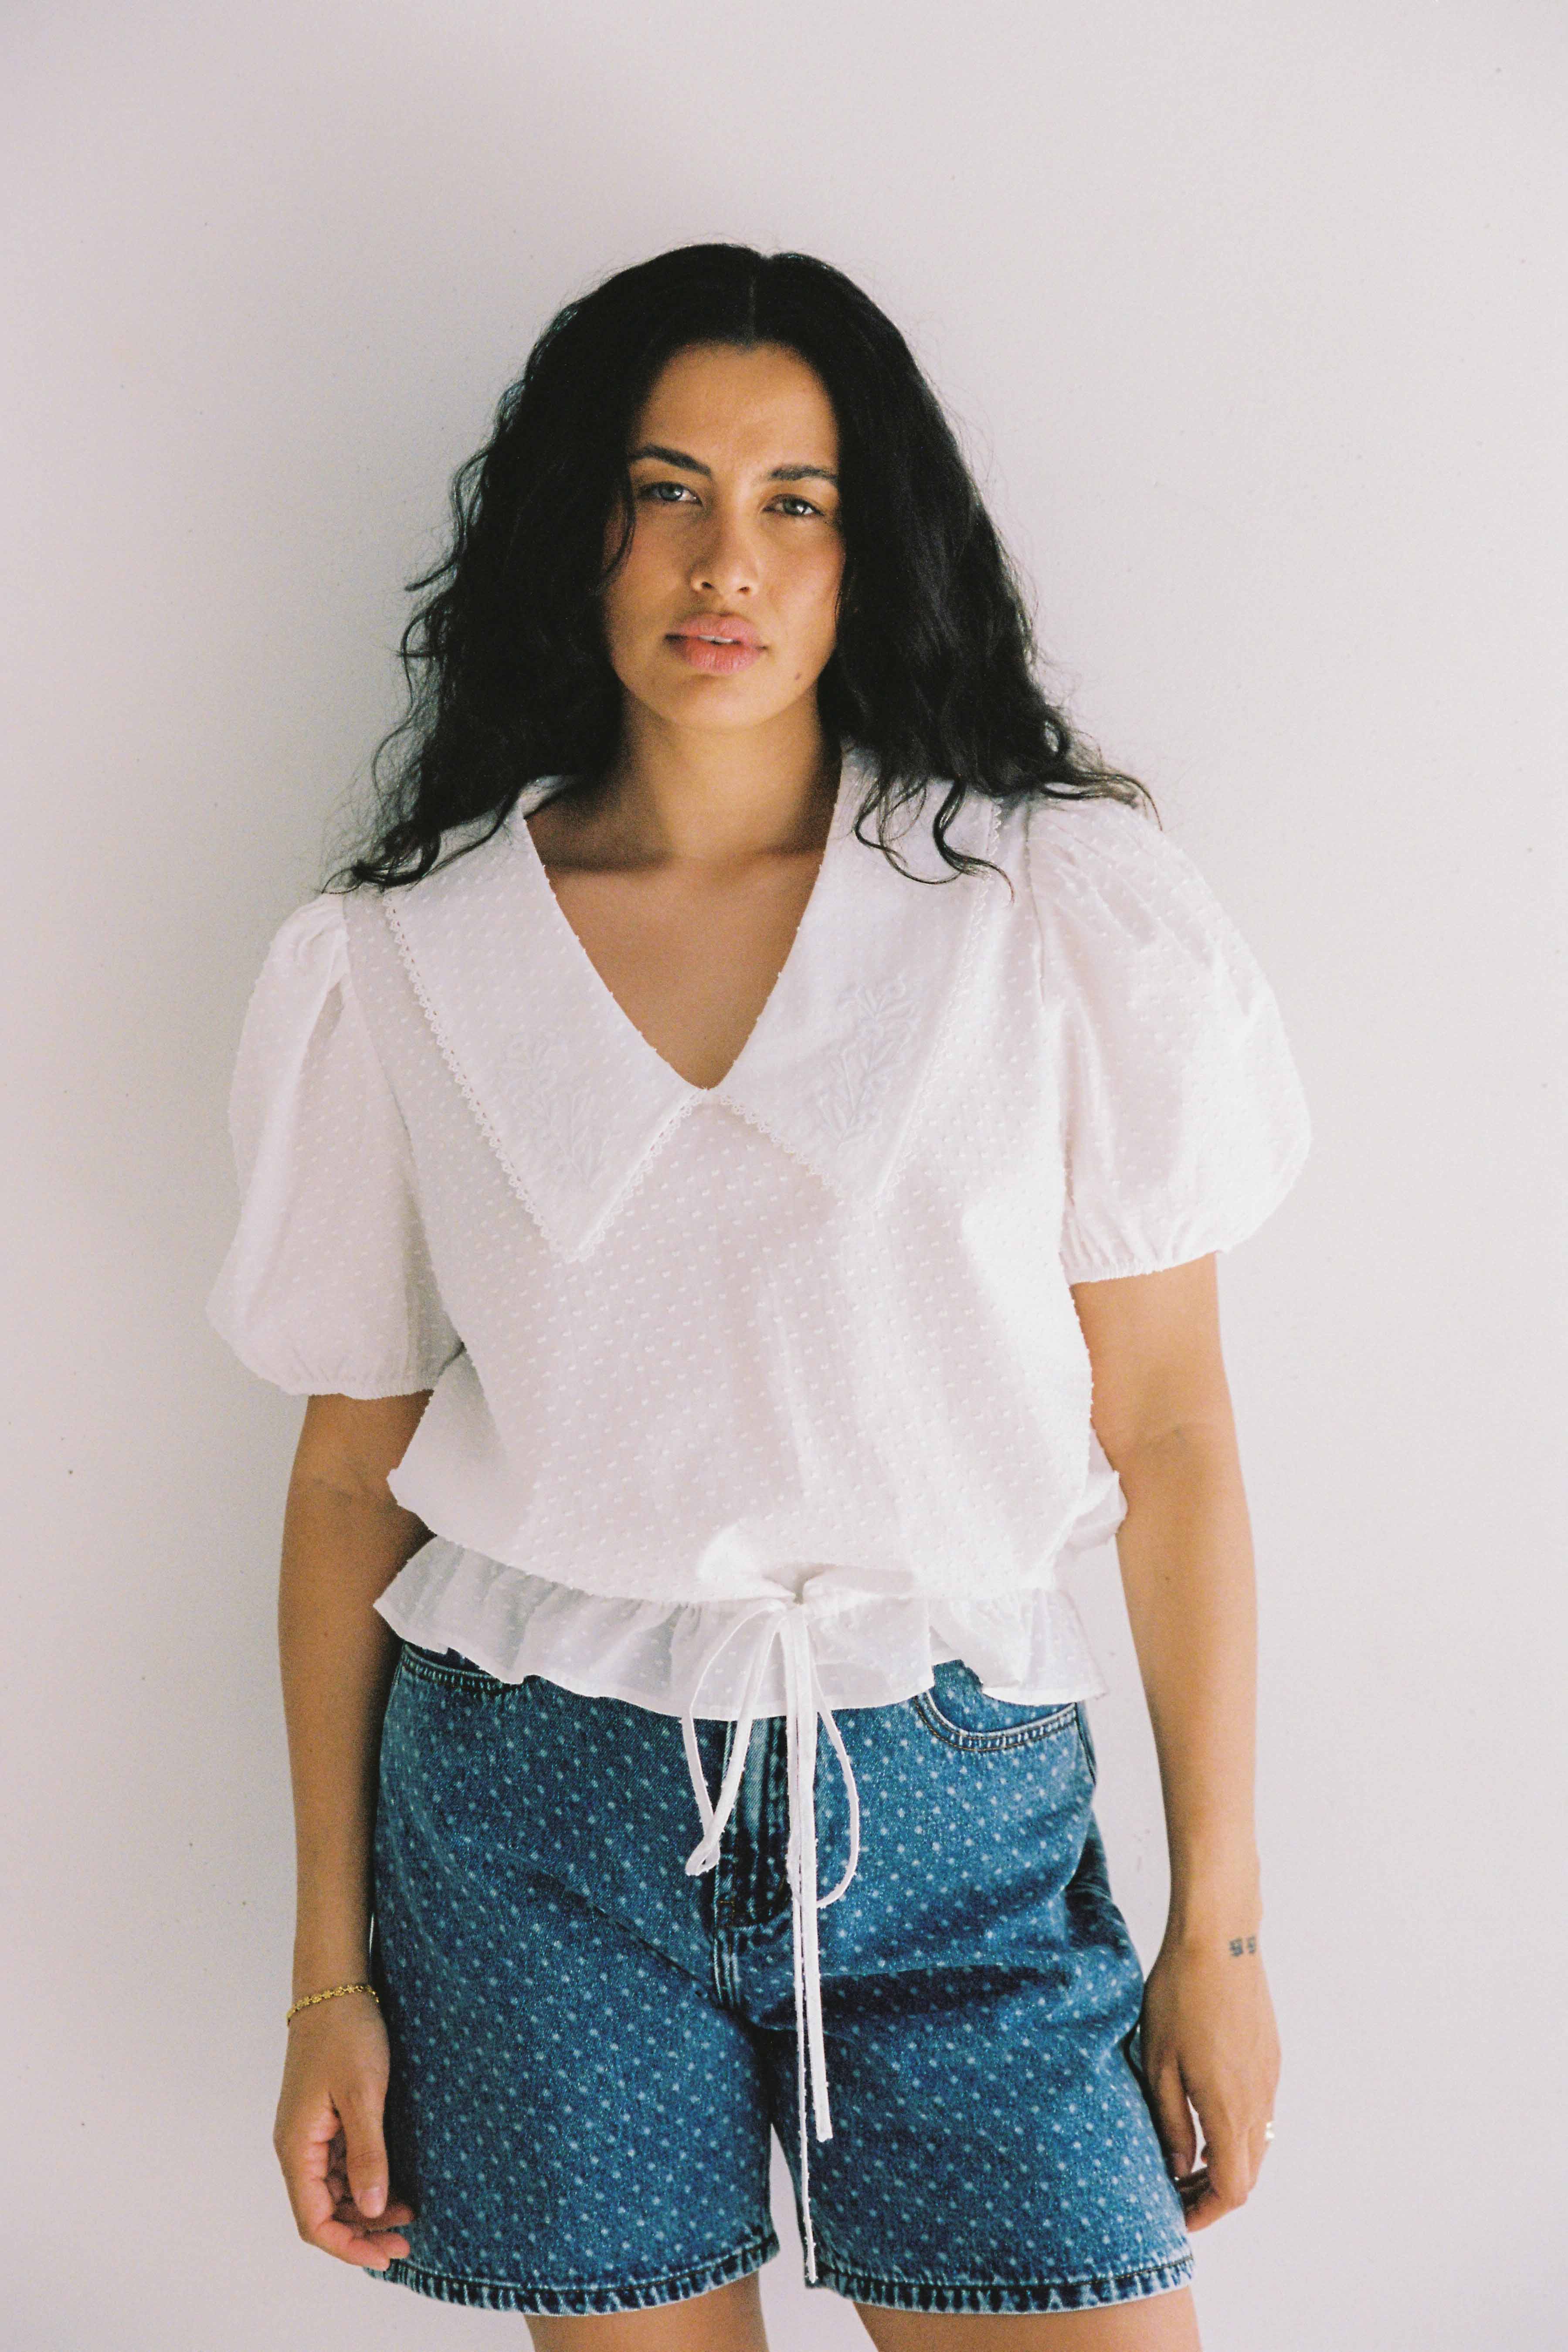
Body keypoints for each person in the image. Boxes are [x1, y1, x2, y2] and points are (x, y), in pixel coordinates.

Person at [206, 243, 1310, 2351]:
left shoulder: (1044, 913)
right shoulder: (401, 966)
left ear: (869, 546)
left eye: (795, 500)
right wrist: (329, 1974)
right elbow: (352, 1475)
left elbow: (1169, 1431)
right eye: (666, 488)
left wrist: (1220, 1937)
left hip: (964, 1816)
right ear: (579, 529)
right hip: (538, 1834)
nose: (728, 560)